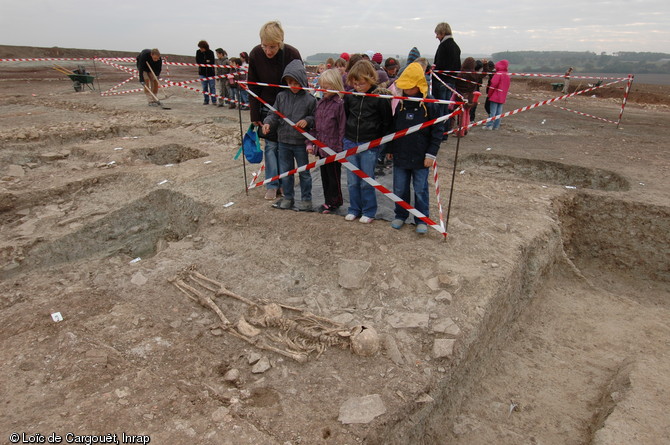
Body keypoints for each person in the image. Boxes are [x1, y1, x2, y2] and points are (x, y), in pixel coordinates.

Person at [248, 21, 302, 200]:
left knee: (286, 148)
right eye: (265, 46)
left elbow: (301, 85)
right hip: (267, 108)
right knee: (270, 147)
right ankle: (272, 184)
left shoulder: (292, 54)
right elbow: (252, 86)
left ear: (281, 42)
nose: (268, 51)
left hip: (288, 109)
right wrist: (255, 114)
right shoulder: (255, 54)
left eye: (272, 46)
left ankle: (286, 184)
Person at [387, 62, 444, 234]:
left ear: (419, 86)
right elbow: (393, 128)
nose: (405, 91)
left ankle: (421, 218)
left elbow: (438, 131)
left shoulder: (431, 105)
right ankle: (400, 214)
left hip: (421, 158)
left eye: (409, 88)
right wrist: (390, 149)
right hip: (401, 155)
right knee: (400, 188)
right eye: (403, 88)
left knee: (420, 189)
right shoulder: (402, 104)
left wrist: (431, 154)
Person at [262, 60, 316, 211]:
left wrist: (307, 120)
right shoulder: (281, 96)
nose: (292, 85)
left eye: (296, 82)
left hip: (300, 143)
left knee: (304, 173)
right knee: (286, 173)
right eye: (289, 82)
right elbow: (273, 114)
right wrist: (267, 122)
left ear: (302, 81)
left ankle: (306, 199)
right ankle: (288, 197)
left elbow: (314, 117)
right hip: (283, 141)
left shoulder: (310, 99)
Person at [343, 60, 393, 224]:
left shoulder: (379, 98)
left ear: (371, 79)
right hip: (350, 142)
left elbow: (387, 123)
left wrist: (379, 143)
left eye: (361, 83)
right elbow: (346, 116)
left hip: (369, 145)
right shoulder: (350, 97)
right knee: (352, 180)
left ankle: (369, 210)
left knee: (366, 180)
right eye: (355, 83)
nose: (357, 87)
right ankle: (354, 209)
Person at [307, 68, 346, 214]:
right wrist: (312, 143)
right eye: (322, 85)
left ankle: (335, 202)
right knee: (324, 175)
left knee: (334, 176)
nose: (324, 89)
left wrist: (340, 149)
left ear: (336, 85)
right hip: (321, 147)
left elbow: (342, 128)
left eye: (328, 86)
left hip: (333, 148)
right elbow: (316, 126)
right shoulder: (320, 103)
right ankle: (327, 200)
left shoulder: (340, 104)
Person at [433, 22, 461, 134]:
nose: (436, 37)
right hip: (452, 82)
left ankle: (440, 132)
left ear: (443, 33)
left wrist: (434, 68)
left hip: (442, 81)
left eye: (438, 34)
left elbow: (439, 64)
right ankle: (445, 131)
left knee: (441, 108)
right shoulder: (456, 47)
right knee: (448, 107)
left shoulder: (443, 46)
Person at [453, 57, 485, 136]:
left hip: (460, 96)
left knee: (460, 115)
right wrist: (485, 65)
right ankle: (466, 129)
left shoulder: (460, 74)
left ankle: (460, 132)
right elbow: (484, 74)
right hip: (470, 97)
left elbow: (455, 83)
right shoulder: (475, 75)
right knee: (467, 113)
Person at [485, 59, 511, 130]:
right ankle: (496, 126)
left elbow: (493, 84)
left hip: (495, 96)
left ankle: (489, 125)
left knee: (492, 112)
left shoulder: (498, 74)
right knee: (499, 112)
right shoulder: (507, 75)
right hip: (502, 96)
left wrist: (489, 94)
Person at [196, 40, 217, 105]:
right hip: (202, 73)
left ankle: (214, 101)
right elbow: (198, 61)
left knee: (212, 87)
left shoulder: (211, 52)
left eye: (202, 48)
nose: (201, 49)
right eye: (200, 48)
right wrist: (206, 61)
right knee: (204, 87)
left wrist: (205, 61)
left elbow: (212, 62)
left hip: (210, 73)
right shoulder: (198, 52)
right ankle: (206, 100)